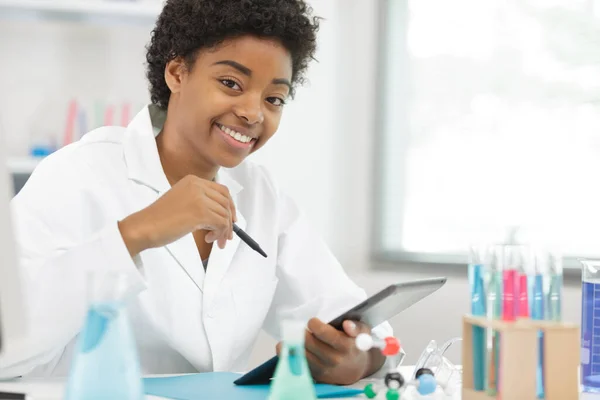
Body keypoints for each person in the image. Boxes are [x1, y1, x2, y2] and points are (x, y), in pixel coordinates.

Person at [0, 0, 398, 384]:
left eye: (273, 98)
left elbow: (359, 321)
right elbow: (7, 344)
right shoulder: (78, 174)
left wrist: (360, 358)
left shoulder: (262, 197)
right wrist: (138, 232)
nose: (253, 112)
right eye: (231, 83)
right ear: (176, 73)